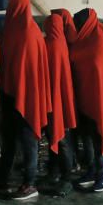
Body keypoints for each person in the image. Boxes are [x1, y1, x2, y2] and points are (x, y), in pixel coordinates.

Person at [0, 0, 51, 201]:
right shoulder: (18, 31)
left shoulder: (27, 33)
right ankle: (5, 177)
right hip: (13, 94)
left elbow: (26, 68)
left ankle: (29, 182)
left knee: (28, 140)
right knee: (10, 140)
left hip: (26, 96)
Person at [68, 8, 103, 193]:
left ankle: (102, 177)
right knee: (88, 139)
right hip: (85, 99)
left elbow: (99, 72)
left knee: (99, 141)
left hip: (98, 101)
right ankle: (91, 172)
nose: (77, 25)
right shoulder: (83, 41)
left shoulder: (99, 43)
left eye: (79, 22)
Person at [43, 11, 77, 195]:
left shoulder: (52, 45)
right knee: (58, 139)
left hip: (56, 102)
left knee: (61, 140)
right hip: (60, 101)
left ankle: (66, 178)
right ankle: (56, 173)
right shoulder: (60, 43)